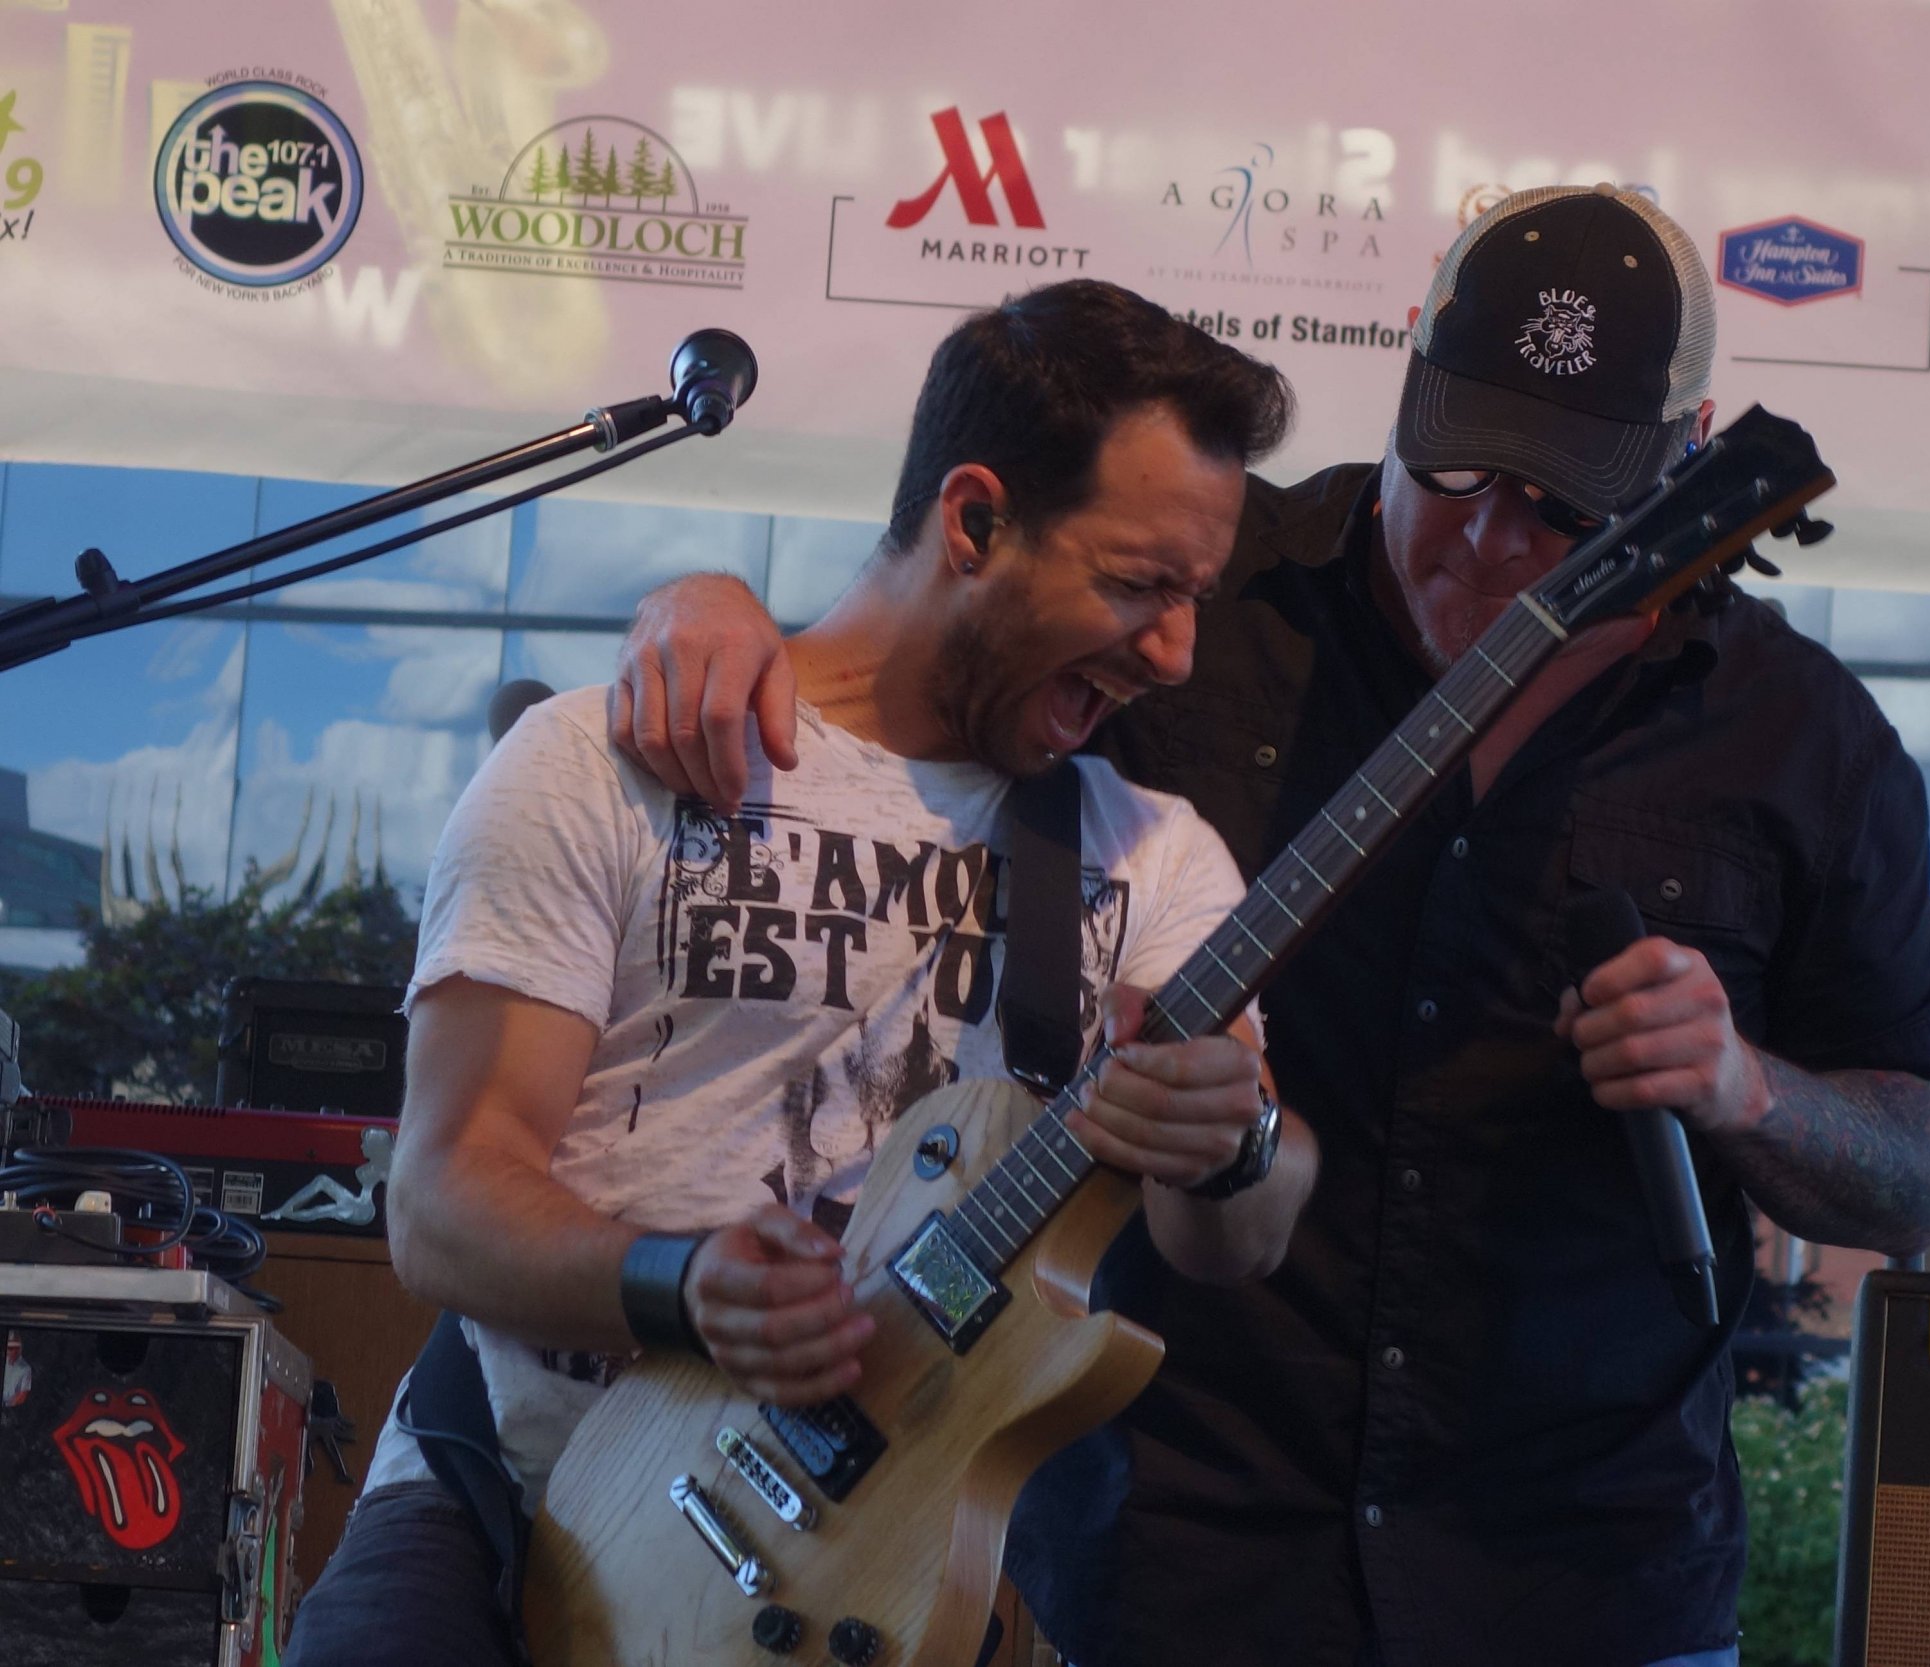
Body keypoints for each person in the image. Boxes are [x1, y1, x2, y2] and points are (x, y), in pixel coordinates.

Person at [612, 185, 1930, 1667]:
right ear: (1404, 372)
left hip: (1583, 1579)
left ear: (1686, 457)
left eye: (1567, 503)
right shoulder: (1206, 591)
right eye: (1454, 464)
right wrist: (715, 615)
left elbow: (1918, 1176)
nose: (1490, 539)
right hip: (1166, 1549)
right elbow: (924, 653)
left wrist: (1746, 1087)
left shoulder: (1801, 740)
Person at [283, 280, 1314, 1667]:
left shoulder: (1151, 860)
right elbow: (443, 1203)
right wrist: (682, 1278)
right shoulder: (605, 758)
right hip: (519, 1512)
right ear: (974, 520)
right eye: (1138, 585)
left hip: (873, 1569)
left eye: (1195, 598)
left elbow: (1235, 1238)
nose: (1178, 652)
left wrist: (1236, 1136)